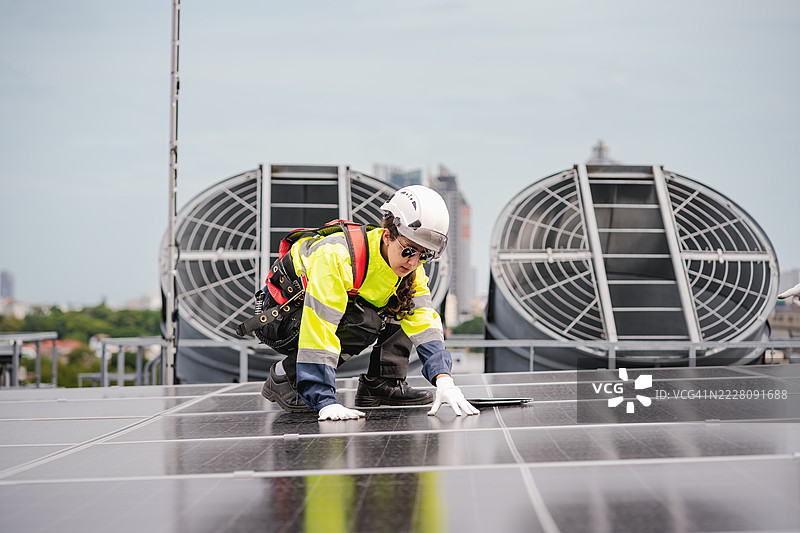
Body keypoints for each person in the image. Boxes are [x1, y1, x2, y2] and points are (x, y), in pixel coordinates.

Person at [258, 185, 479, 421]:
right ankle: (284, 376)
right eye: (409, 251)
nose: (414, 262)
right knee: (362, 321)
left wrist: (444, 380)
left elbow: (424, 322)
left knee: (403, 305)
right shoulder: (336, 257)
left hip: (316, 318)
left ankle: (382, 383)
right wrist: (324, 401)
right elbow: (319, 328)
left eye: (424, 255)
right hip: (281, 318)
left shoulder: (411, 270)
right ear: (387, 236)